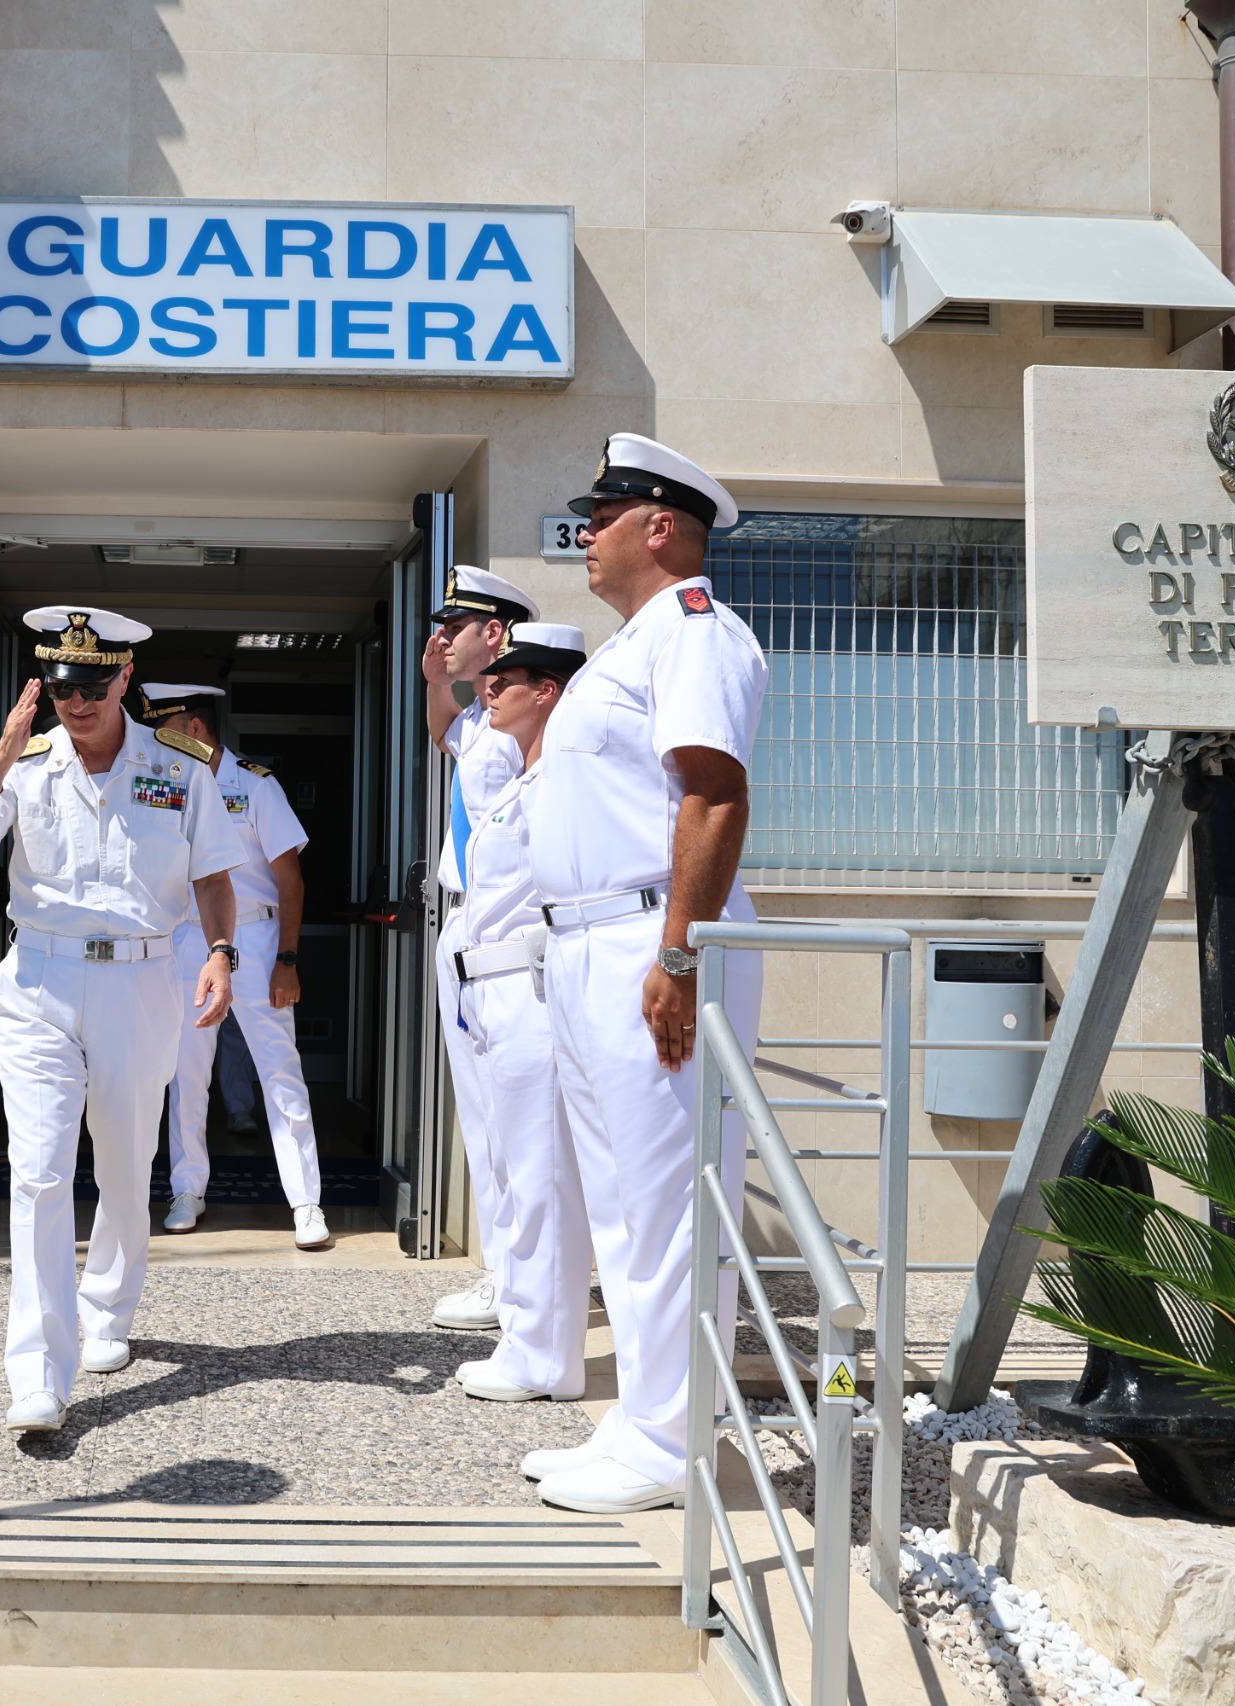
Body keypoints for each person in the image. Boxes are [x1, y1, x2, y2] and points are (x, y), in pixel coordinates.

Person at [522, 435, 767, 1514]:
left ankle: (671, 1443)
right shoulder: (633, 646)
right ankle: (640, 1420)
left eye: (600, 512)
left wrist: (678, 952)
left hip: (647, 941)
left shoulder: (696, 634)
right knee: (621, 1201)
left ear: (657, 526)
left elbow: (712, 795)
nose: (583, 531)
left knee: (665, 1200)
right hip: (586, 944)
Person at [0, 608, 243, 1434]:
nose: (75, 703)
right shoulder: (25, 766)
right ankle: (38, 1368)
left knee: (121, 1161)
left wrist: (221, 952)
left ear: (124, 681)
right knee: (38, 1170)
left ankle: (107, 1309)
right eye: (61, 687)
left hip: (142, 982)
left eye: (91, 686)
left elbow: (214, 874)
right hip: (39, 978)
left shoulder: (180, 769)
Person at [448, 623, 594, 1405]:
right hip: (493, 992)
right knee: (514, 1169)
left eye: (507, 679)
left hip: (532, 990)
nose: (489, 688)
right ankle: (531, 1339)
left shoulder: (565, 786)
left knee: (540, 1178)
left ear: (548, 690)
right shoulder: (519, 785)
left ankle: (542, 1354)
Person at [139, 683, 332, 1251]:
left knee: (279, 1071)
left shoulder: (254, 786)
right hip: (189, 938)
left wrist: (287, 960)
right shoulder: (161, 787)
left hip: (254, 933)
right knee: (186, 1072)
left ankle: (306, 1202)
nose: (156, 740)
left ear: (195, 728)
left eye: (165, 727)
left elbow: (291, 879)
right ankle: (186, 1190)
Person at [421, 565, 540, 1331]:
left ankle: (512, 1278)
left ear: (494, 634)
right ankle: (519, 1271)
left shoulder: (508, 726)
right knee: (485, 1113)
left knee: (503, 1119)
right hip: (468, 922)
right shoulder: (483, 719)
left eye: (454, 629)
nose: (441, 638)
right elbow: (444, 734)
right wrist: (439, 681)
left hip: (496, 929)